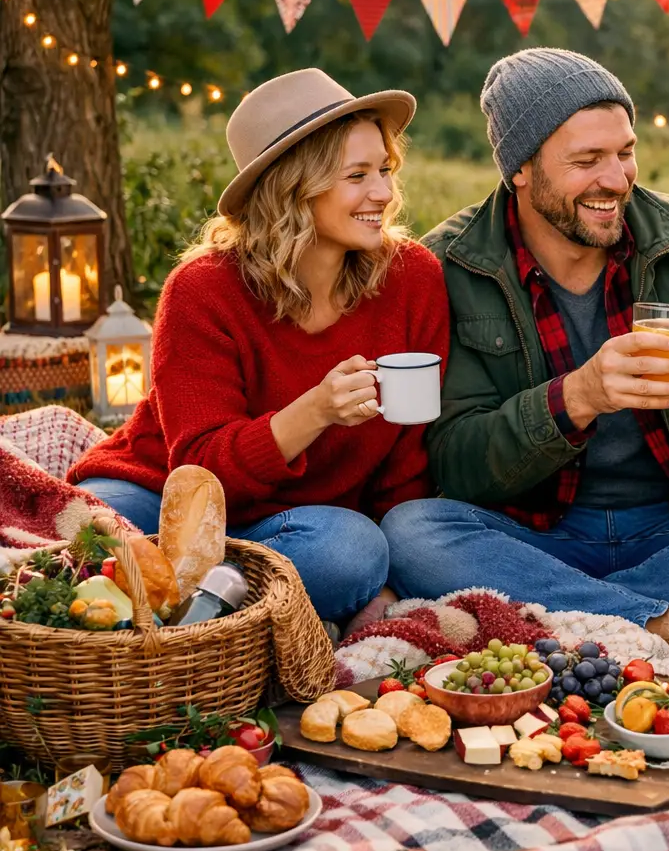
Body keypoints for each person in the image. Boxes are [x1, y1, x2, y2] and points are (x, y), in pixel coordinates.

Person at [381, 48, 669, 665]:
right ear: (521, 169)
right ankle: (668, 626)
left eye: (625, 152)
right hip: (533, 535)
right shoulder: (452, 267)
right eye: (587, 160)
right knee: (411, 533)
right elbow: (456, 464)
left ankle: (554, 618)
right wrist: (578, 397)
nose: (617, 179)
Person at [70, 68, 450, 633]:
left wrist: (388, 578)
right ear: (294, 187)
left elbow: (408, 460)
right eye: (357, 175)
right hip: (169, 495)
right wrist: (314, 411)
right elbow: (197, 465)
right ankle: (237, 615)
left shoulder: (411, 277)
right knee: (89, 531)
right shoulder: (203, 290)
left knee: (353, 553)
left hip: (302, 525)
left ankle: (178, 613)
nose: (384, 193)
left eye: (385, 169)